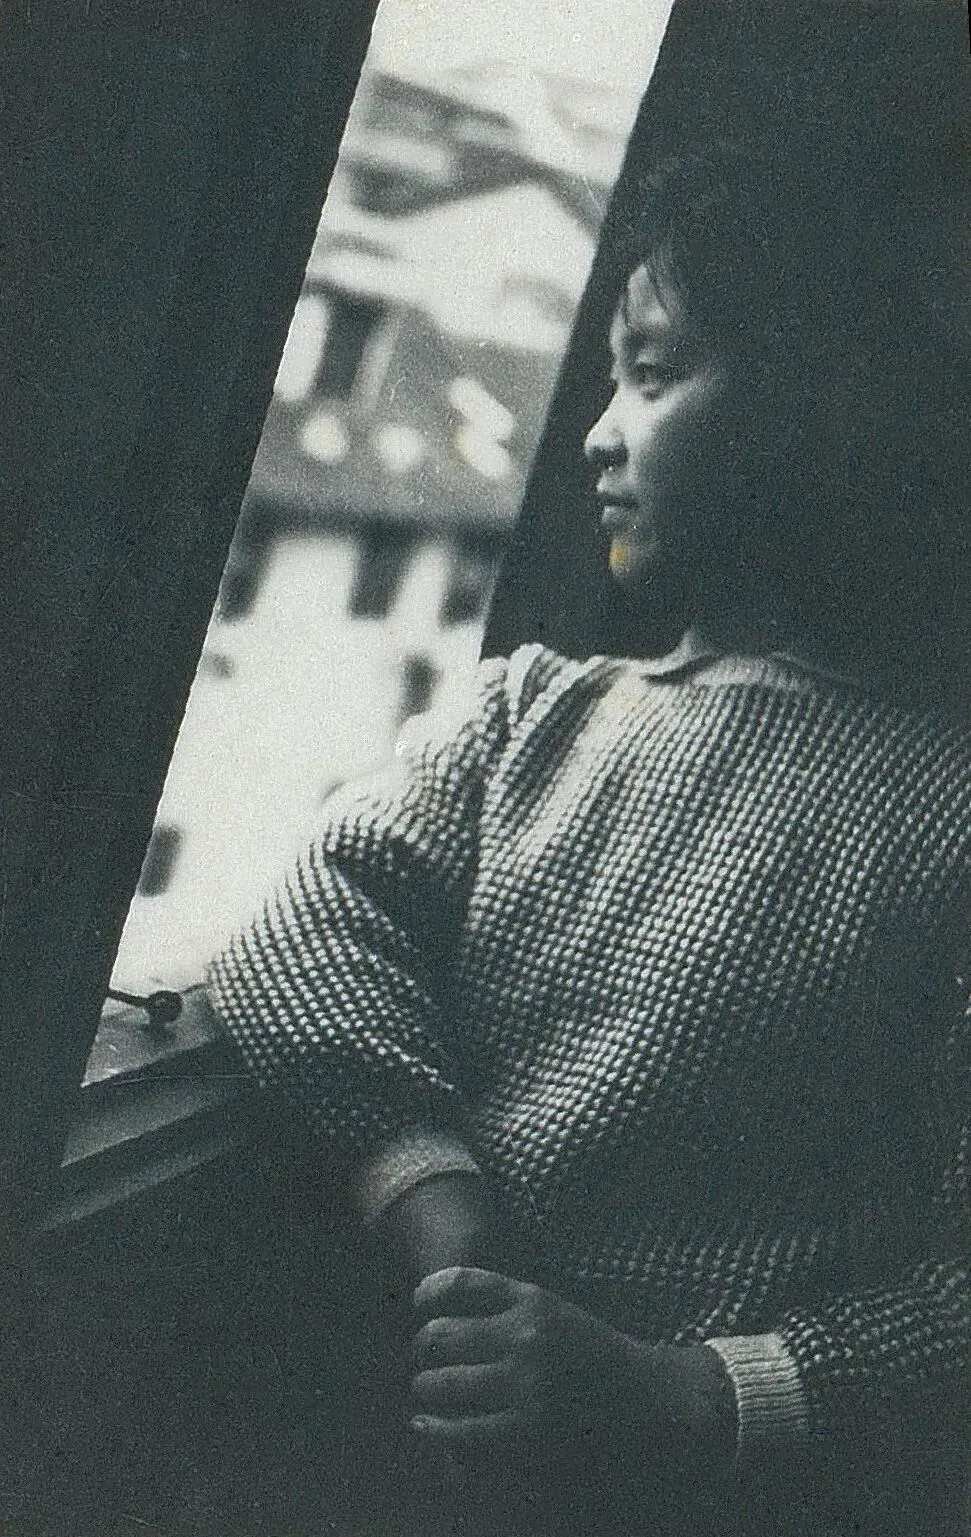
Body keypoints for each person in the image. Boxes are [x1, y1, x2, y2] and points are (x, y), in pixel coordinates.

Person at [208, 144, 970, 1536]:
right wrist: (444, 1214)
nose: (596, 436)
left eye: (653, 375)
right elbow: (306, 933)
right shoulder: (532, 710)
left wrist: (680, 1391)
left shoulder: (946, 813)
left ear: (817, 411)